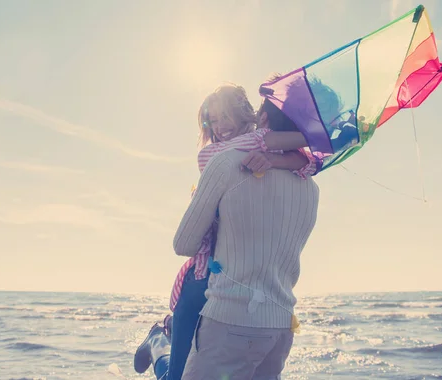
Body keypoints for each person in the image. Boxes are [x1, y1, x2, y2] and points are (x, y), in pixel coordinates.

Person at [133, 83, 316, 379]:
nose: (221, 127)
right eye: (213, 121)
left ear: (248, 115)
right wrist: (268, 147)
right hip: (205, 277)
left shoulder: (269, 150)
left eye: (227, 117)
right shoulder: (214, 156)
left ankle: (160, 337)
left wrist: (272, 157)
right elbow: (185, 244)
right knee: (177, 375)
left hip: (237, 297)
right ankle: (158, 340)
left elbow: (307, 150)